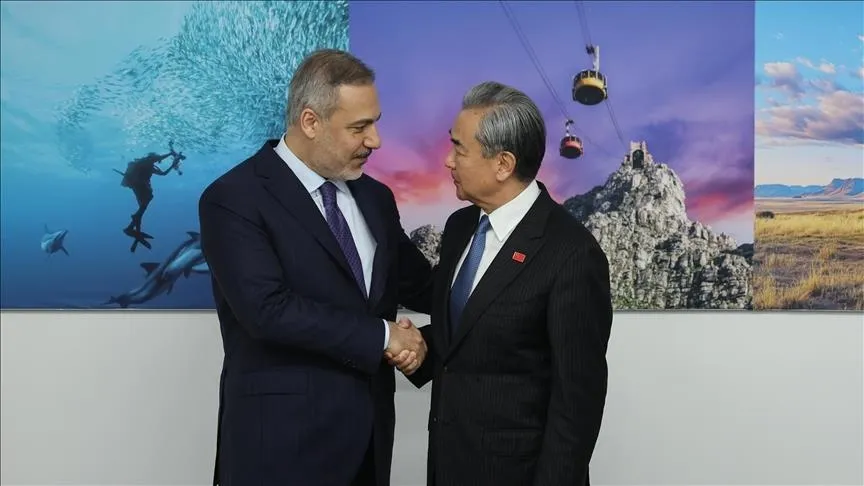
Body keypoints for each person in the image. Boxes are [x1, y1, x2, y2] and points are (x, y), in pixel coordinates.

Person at [198, 48, 433, 486]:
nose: (375, 140)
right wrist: (385, 337)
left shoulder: (376, 198)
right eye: (359, 127)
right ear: (310, 122)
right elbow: (267, 311)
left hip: (369, 447)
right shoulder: (233, 198)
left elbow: (422, 286)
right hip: (279, 451)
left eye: (375, 123)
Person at [388, 81, 614, 485]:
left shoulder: (571, 254)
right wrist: (419, 347)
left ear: (503, 164)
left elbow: (577, 403)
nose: (448, 161)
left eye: (459, 149)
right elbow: (473, 331)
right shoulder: (460, 227)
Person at [115, 142, 184, 252]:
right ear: (151, 157)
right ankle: (131, 227)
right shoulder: (146, 162)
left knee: (142, 208)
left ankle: (132, 228)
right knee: (145, 203)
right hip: (139, 186)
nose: (157, 160)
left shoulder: (149, 165)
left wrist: (172, 162)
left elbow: (163, 173)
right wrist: (171, 155)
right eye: (155, 158)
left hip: (137, 186)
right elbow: (159, 162)